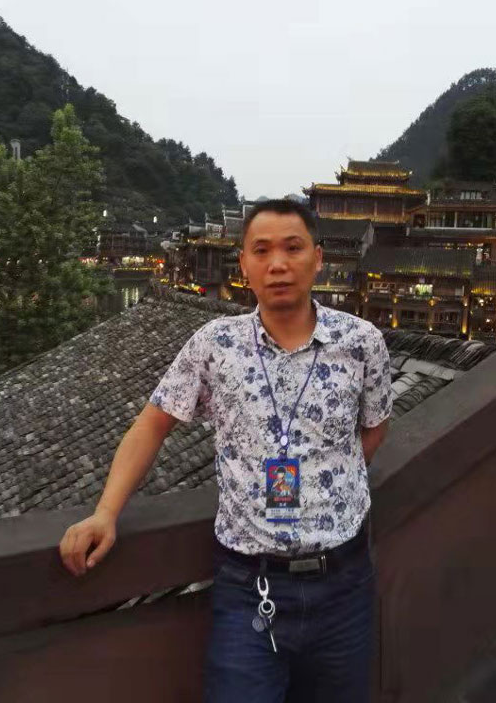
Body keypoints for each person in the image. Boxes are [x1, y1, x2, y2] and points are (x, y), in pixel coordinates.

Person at [59, 199, 393, 703]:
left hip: (344, 583)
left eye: (293, 248)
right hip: (249, 587)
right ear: (244, 265)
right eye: (262, 251)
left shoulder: (362, 342)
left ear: (318, 259)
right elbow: (151, 425)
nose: (277, 264)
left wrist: (327, 487)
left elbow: (373, 429)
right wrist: (105, 513)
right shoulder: (214, 345)